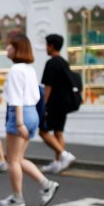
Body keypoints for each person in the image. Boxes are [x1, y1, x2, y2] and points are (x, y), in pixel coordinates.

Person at [0, 34, 60, 206]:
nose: (7, 49)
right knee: (18, 158)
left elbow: (16, 98)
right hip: (32, 113)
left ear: (17, 49)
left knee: (12, 160)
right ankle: (46, 184)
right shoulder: (29, 69)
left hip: (20, 114)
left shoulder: (16, 70)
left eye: (10, 46)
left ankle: (17, 198)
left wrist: (19, 123)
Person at [39, 34, 76, 173]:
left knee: (43, 131)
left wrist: (43, 106)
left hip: (53, 104)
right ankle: (58, 162)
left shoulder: (51, 63)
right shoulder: (64, 62)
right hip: (64, 104)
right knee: (58, 132)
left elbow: (48, 87)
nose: (45, 48)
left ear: (51, 46)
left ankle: (64, 155)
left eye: (46, 45)